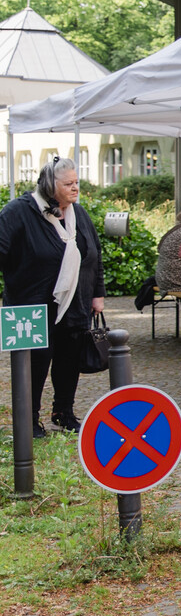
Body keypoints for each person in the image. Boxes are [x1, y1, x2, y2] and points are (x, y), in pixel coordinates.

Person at [0, 157, 105, 436]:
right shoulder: (19, 212)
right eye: (68, 184)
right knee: (34, 364)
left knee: (69, 361)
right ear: (49, 185)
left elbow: (94, 255)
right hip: (32, 307)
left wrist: (97, 294)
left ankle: (64, 413)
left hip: (74, 304)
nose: (75, 188)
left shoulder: (78, 214)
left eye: (77, 182)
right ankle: (29, 419)